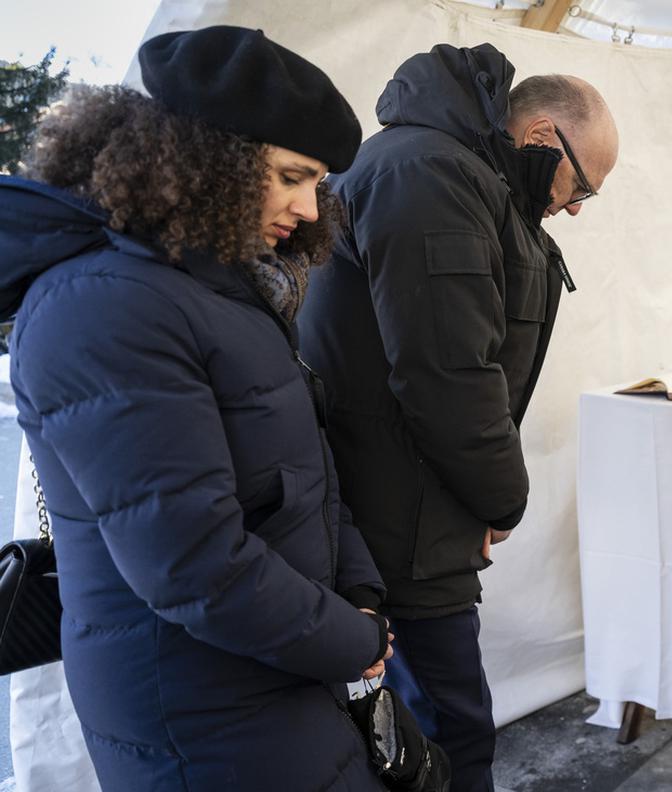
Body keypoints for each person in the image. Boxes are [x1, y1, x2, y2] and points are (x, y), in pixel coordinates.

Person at [0, 26, 395, 791]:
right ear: (207, 159)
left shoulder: (222, 286)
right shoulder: (104, 308)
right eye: (291, 176)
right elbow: (194, 566)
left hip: (275, 669)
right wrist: (352, 638)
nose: (311, 209)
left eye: (317, 183)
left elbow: (302, 472)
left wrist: (360, 592)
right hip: (193, 706)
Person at [297, 43, 619, 791]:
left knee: (423, 728)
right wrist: (502, 498)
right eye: (584, 188)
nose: (573, 207)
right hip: (397, 520)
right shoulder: (429, 175)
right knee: (449, 731)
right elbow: (447, 375)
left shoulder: (461, 174)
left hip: (410, 507)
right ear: (543, 139)